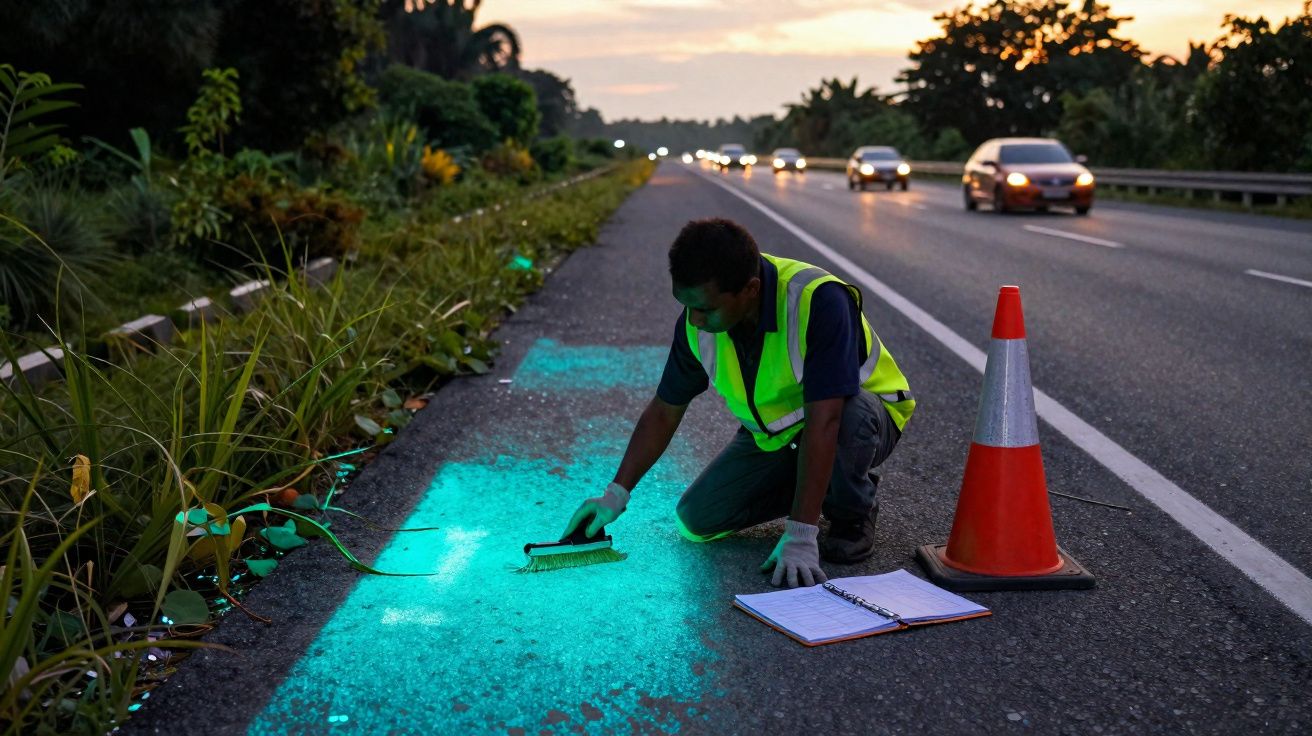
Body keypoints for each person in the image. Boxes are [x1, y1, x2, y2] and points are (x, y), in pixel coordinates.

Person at [562, 218, 915, 588]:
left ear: (750, 289)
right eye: (686, 306)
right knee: (695, 520)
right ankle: (821, 486)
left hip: (859, 418)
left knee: (848, 415)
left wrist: (800, 532)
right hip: (778, 434)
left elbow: (825, 420)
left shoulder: (819, 300)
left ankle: (852, 509)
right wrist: (615, 494)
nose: (694, 320)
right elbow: (665, 410)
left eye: (706, 310)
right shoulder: (696, 320)